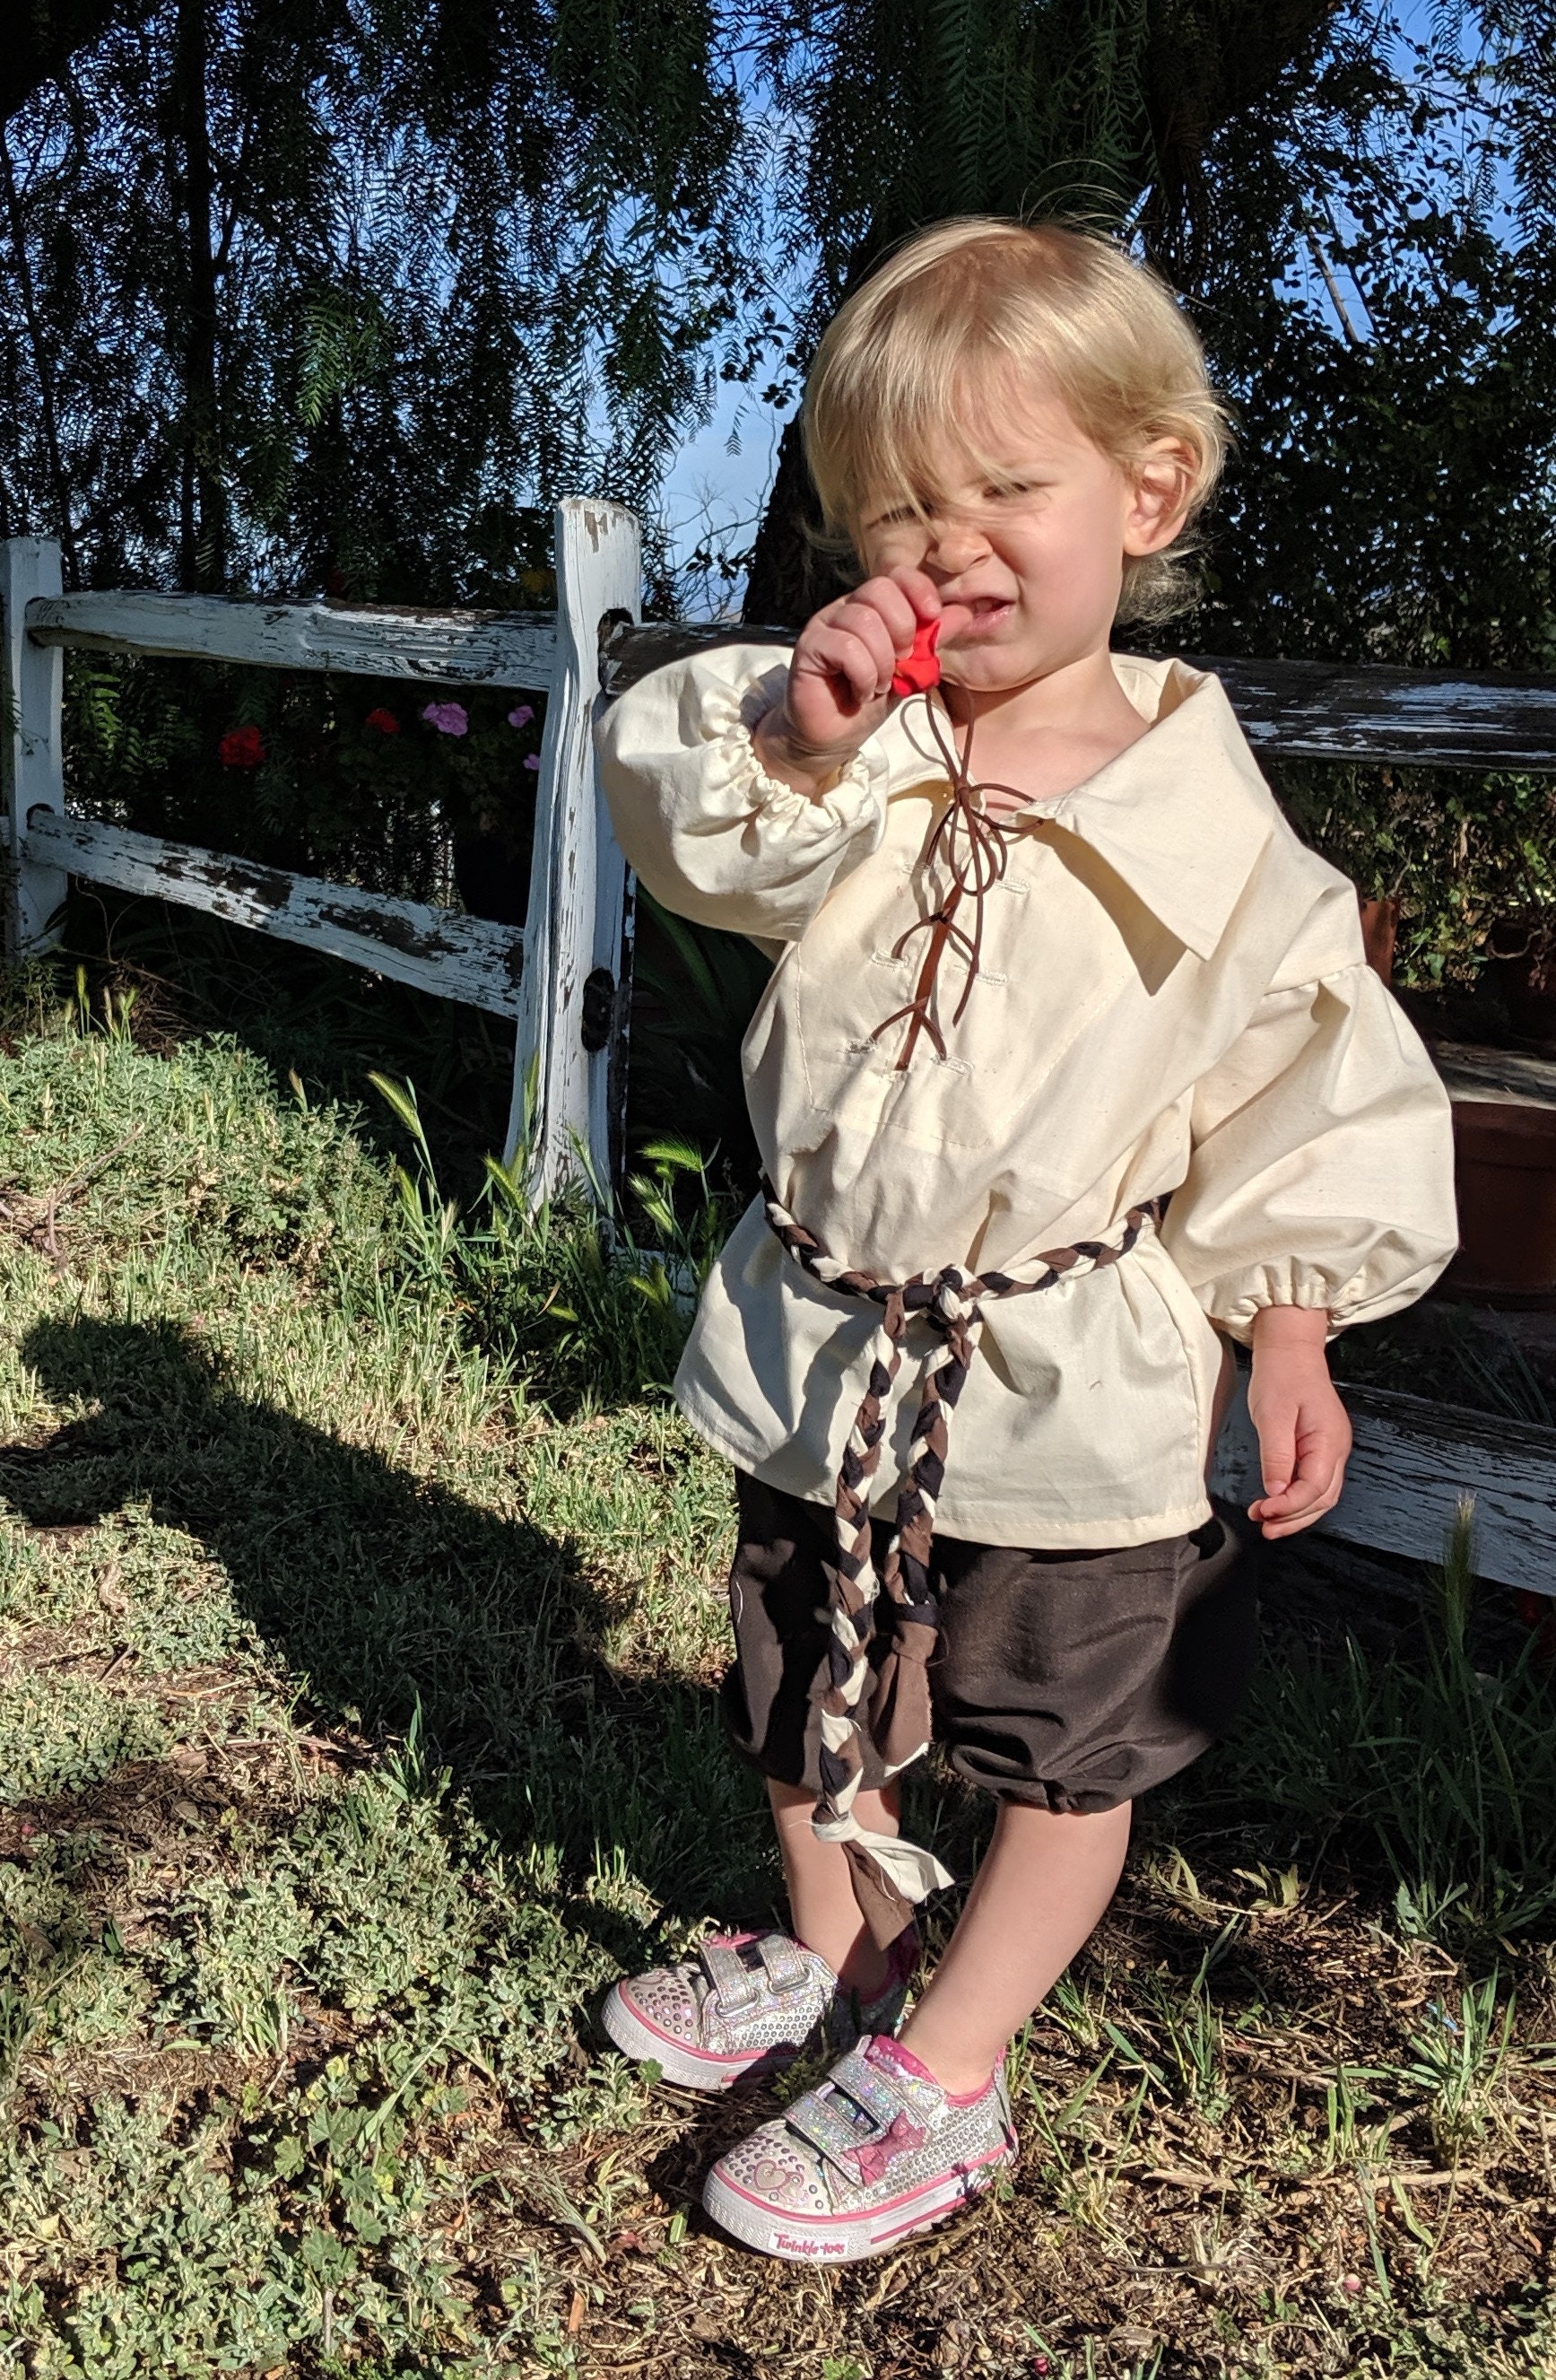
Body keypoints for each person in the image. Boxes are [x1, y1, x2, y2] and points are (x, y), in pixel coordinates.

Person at [591, 218, 1458, 2265]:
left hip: (1068, 1376)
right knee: (806, 1673)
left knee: (1065, 1741)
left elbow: (1305, 1086)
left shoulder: (1212, 831)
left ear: (1145, 491)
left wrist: (1290, 1328)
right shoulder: (857, 754)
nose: (950, 542)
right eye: (897, 506)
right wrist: (807, 730)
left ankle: (951, 2068)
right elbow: (698, 829)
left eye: (1006, 488)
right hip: (830, 1338)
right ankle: (841, 1961)